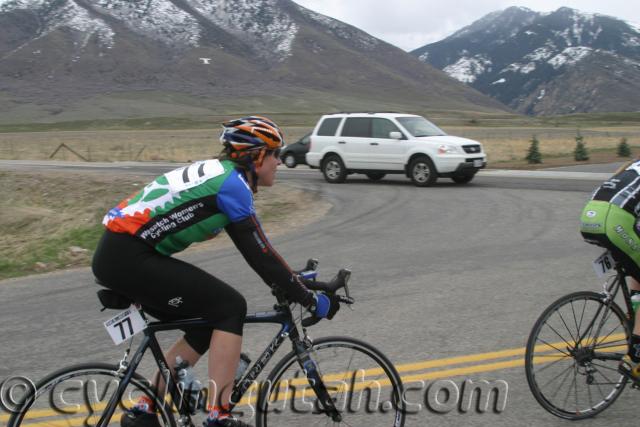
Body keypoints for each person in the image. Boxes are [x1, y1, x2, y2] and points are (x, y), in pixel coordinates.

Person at [92, 116, 340, 427]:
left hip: (119, 255)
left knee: (205, 324)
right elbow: (261, 256)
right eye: (275, 154)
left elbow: (258, 252)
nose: (280, 162)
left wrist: (291, 280)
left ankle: (146, 409)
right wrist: (308, 299)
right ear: (257, 155)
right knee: (229, 306)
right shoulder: (231, 186)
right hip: (128, 257)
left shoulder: (222, 177)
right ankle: (218, 416)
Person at [580, 158, 640, 379]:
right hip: (615, 221)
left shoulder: (633, 165)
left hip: (590, 217)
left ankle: (634, 320)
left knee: (635, 264)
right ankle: (635, 359)